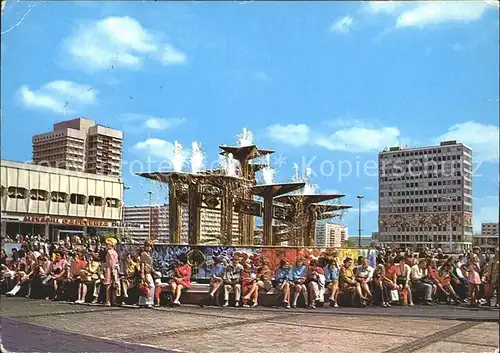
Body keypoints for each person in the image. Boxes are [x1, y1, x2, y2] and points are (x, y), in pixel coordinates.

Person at [140, 241, 156, 307]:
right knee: (151, 286)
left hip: (149, 271)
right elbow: (142, 264)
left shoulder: (150, 254)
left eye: (150, 246)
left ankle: (143, 301)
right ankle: (149, 300)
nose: (149, 247)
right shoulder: (143, 254)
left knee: (146, 287)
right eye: (147, 246)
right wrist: (142, 273)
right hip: (146, 272)